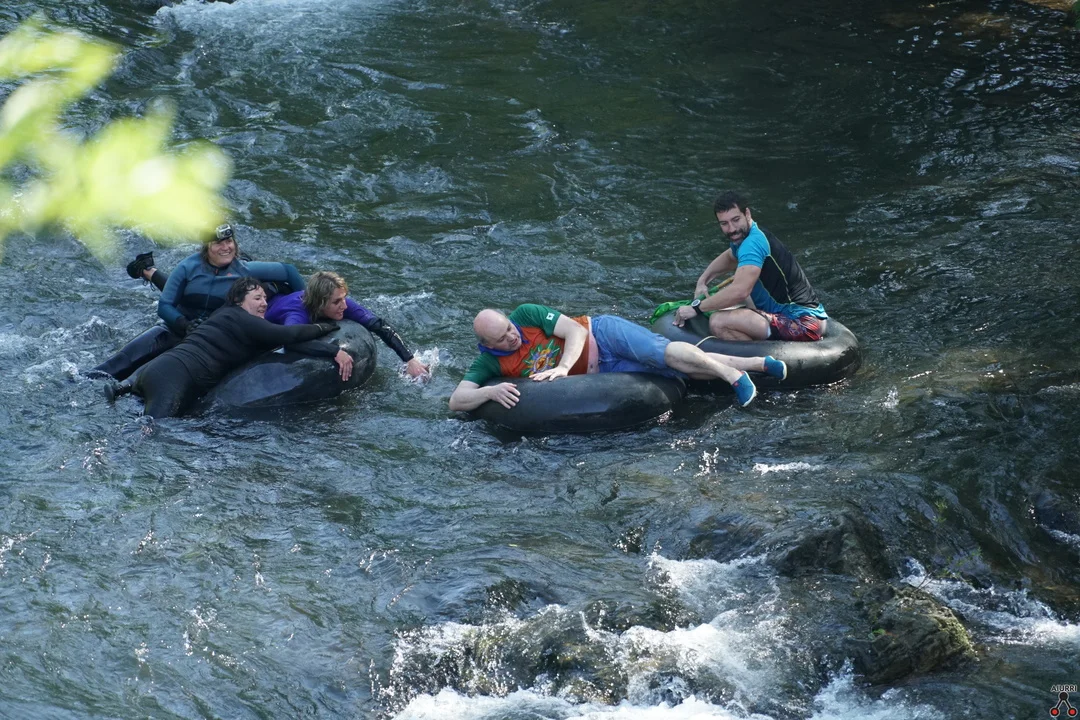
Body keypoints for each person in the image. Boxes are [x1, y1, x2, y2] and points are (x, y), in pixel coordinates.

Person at [448, 304, 787, 412]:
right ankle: (758, 365)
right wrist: (490, 391)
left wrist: (563, 367)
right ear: (486, 344)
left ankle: (734, 377)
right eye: (501, 338)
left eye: (508, 328)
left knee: (661, 352)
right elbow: (456, 400)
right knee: (679, 367)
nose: (511, 336)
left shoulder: (526, 315)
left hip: (603, 334)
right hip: (607, 371)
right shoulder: (489, 363)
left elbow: (575, 332)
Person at [91, 223, 305, 380]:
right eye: (218, 243)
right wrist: (184, 324)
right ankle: (147, 269)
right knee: (120, 363)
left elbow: (289, 271)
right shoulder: (188, 267)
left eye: (229, 241)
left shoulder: (245, 269)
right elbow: (165, 306)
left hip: (211, 341)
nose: (226, 247)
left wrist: (305, 304)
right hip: (177, 328)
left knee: (147, 375)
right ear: (206, 247)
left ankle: (147, 270)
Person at [105, 278, 338, 419]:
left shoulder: (222, 313)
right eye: (257, 298)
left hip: (152, 370)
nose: (264, 303)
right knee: (151, 431)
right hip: (172, 379)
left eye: (265, 298)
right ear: (239, 301)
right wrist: (324, 327)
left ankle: (121, 388)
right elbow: (290, 335)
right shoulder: (246, 320)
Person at [672, 191, 828, 342]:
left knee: (718, 321)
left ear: (747, 213)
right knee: (731, 299)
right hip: (789, 315)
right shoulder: (749, 236)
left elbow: (740, 292)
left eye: (735, 220)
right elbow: (730, 257)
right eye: (724, 223)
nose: (732, 229)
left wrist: (696, 308)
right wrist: (703, 280)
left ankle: (758, 356)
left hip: (803, 322)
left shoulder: (752, 244)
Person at [265, 271, 429, 380]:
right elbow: (290, 341)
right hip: (268, 309)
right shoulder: (296, 313)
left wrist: (410, 360)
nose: (344, 305)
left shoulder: (342, 304)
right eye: (337, 302)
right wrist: (335, 351)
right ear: (320, 304)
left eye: (344, 298)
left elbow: (378, 325)